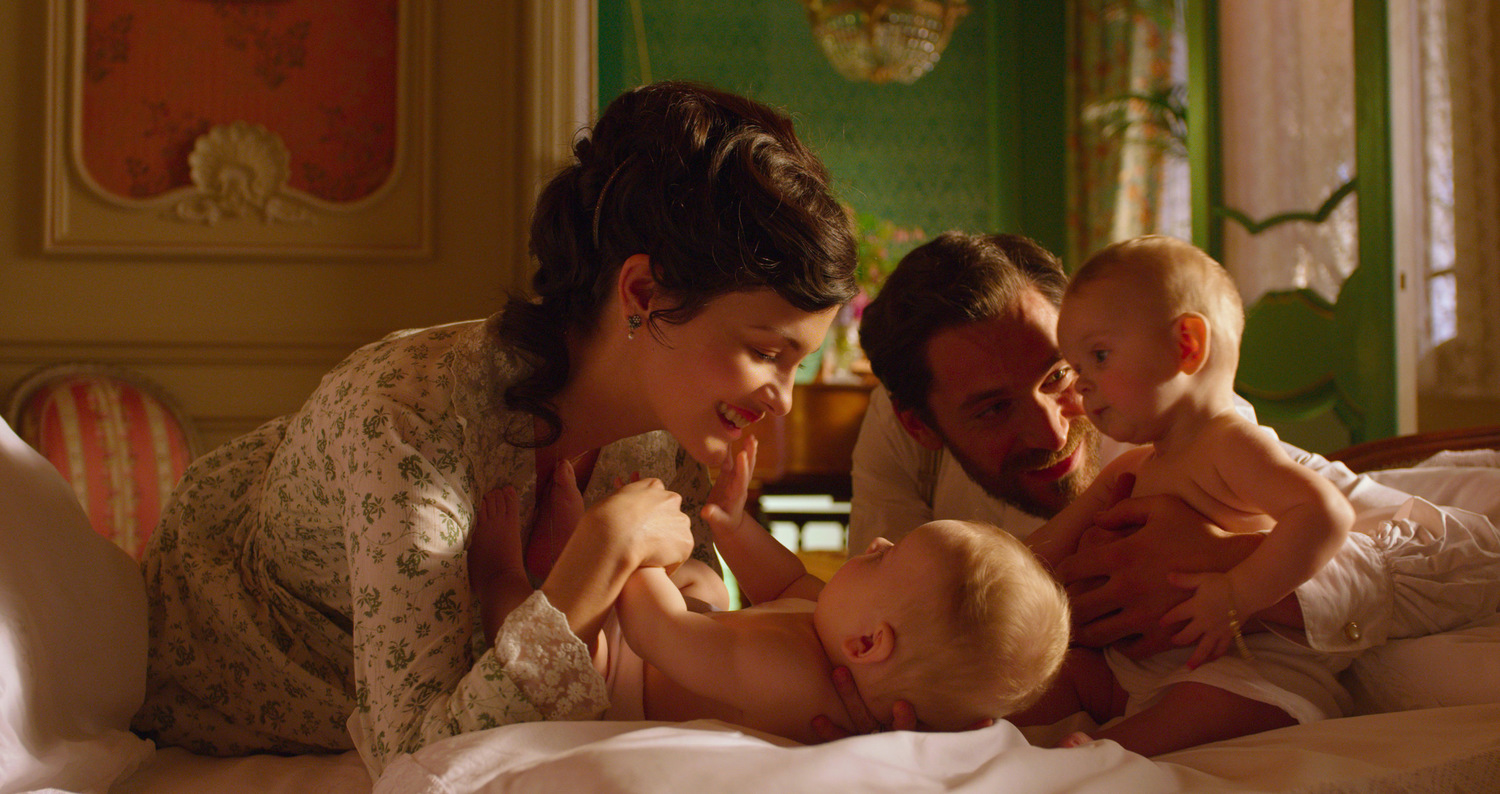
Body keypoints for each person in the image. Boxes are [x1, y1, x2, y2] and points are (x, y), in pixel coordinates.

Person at [131, 81, 859, 777]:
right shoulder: (411, 421)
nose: (783, 401)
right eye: (766, 352)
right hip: (231, 688)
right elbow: (418, 763)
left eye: (797, 362)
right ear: (642, 292)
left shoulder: (671, 435)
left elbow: (674, 656)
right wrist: (596, 558)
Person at [844, 230, 1500, 731]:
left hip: (1240, 660)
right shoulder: (905, 446)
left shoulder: (1190, 433)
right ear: (922, 426)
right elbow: (959, 584)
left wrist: (1234, 573)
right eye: (993, 410)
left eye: (1063, 374)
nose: (1053, 428)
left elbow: (1461, 555)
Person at [471, 435, 1070, 744]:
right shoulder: (837, 630)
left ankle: (504, 576)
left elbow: (661, 632)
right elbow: (782, 580)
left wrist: (629, 553)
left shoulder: (789, 675)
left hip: (626, 681)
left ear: (869, 644)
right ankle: (570, 556)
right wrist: (733, 524)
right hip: (691, 644)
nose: (878, 544)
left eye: (886, 559)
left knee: (572, 649)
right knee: (705, 580)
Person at [1017, 235, 1356, 756]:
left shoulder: (1230, 444)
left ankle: (1105, 753)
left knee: (1211, 703)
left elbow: (1325, 513)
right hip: (1138, 664)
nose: (1082, 386)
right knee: (1050, 677)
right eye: (1077, 368)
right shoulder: (1135, 464)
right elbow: (1046, 547)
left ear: (1188, 346)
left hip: (1241, 661)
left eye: (1099, 357)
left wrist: (1238, 593)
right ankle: (964, 729)